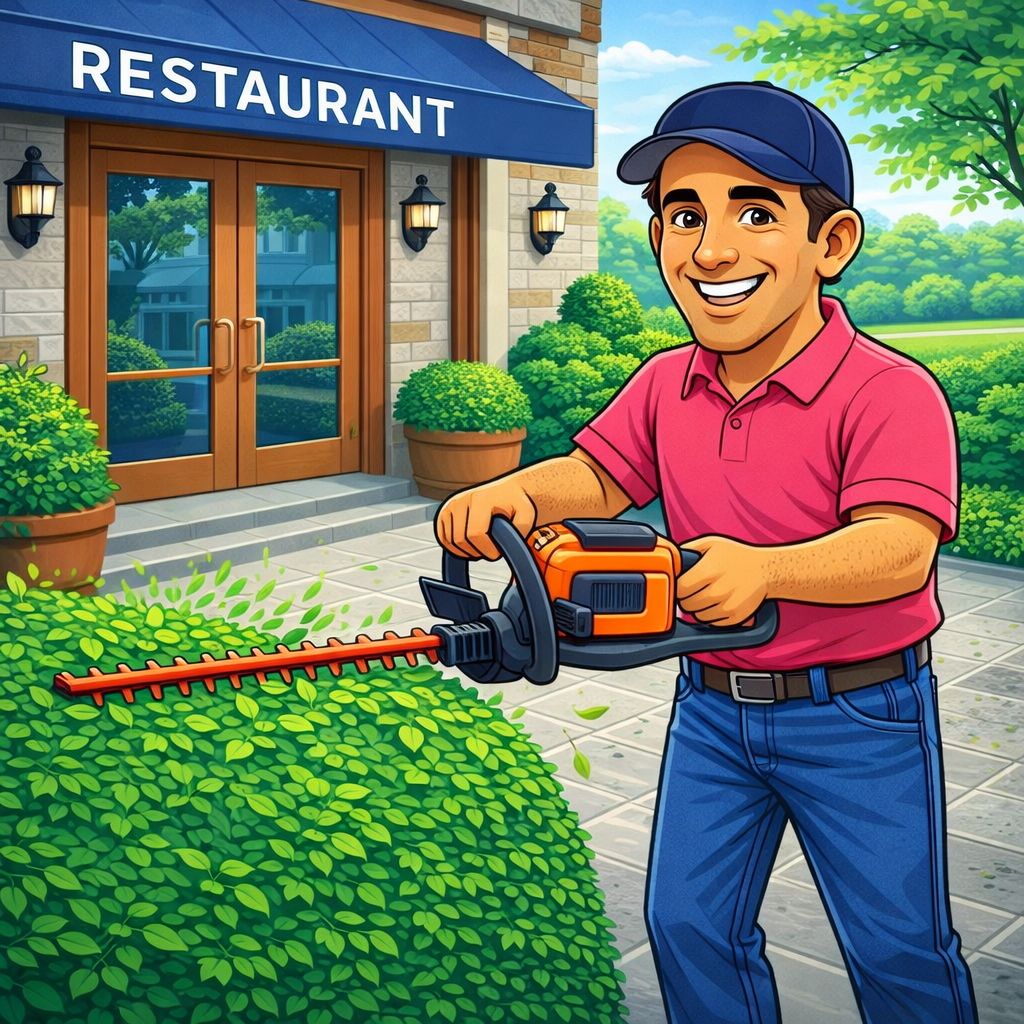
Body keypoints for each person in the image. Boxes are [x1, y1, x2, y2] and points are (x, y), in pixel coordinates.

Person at [434, 81, 977, 1024]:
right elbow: (598, 477)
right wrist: (518, 493)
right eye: (685, 214)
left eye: (754, 211)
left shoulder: (890, 393)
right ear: (658, 239)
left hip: (859, 715)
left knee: (898, 949)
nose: (713, 249)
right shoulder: (664, 383)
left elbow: (899, 552)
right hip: (714, 708)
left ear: (831, 243)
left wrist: (769, 569)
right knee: (687, 925)